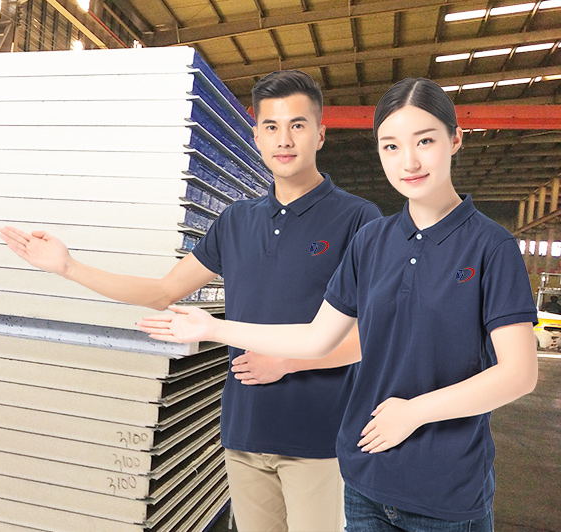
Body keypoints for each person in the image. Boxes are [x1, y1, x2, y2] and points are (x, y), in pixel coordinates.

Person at [138, 78, 539, 531]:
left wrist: (415, 412)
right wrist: (212, 328)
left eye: (424, 141)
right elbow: (317, 338)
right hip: (367, 479)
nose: (408, 161)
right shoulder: (371, 241)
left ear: (455, 139)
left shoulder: (491, 246)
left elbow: (519, 374)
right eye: (391, 146)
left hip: (446, 490)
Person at [0, 70, 381, 531]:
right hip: (244, 431)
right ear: (257, 136)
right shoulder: (236, 220)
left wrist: (288, 363)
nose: (284, 139)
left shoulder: (358, 219)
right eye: (272, 126)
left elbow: (371, 339)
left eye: (297, 125)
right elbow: (163, 292)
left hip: (317, 437)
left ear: (320, 134)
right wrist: (68, 267)